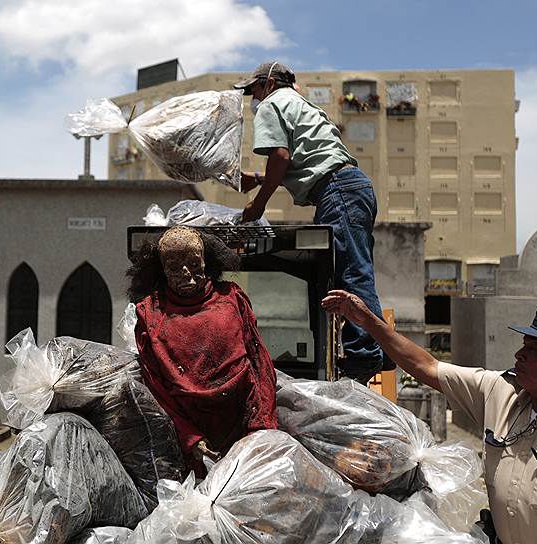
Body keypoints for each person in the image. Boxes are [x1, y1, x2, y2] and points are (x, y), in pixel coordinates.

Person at [322, 289, 537, 544]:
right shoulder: (499, 391)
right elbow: (426, 366)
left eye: (535, 351)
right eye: (523, 346)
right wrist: (369, 323)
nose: (519, 355)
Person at [234, 61, 389, 382]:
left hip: (338, 191)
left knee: (350, 273)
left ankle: (362, 358)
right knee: (349, 269)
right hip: (349, 188)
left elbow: (280, 156)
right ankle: (377, 350)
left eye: (254, 90)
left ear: (270, 84)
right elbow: (310, 158)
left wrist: (259, 203)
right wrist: (260, 179)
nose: (253, 99)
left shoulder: (271, 104)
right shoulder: (301, 105)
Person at [127, 226, 278, 476]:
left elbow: (260, 364)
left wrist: (260, 428)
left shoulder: (232, 298)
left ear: (205, 262)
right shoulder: (150, 312)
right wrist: (190, 438)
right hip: (187, 435)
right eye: (174, 267)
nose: (185, 273)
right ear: (162, 270)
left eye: (193, 264)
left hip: (241, 423)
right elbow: (155, 386)